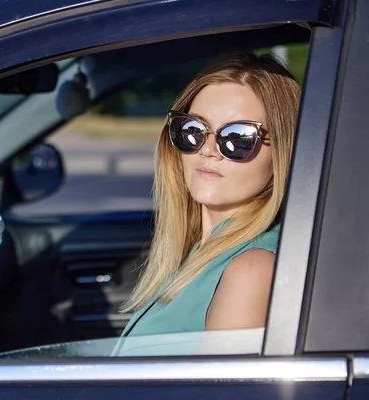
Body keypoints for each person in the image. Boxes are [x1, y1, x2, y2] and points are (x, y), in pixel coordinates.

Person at [118, 53, 301, 342]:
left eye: (238, 138)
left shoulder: (250, 270)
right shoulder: (202, 253)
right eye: (193, 130)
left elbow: (220, 389)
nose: (208, 149)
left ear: (283, 154)